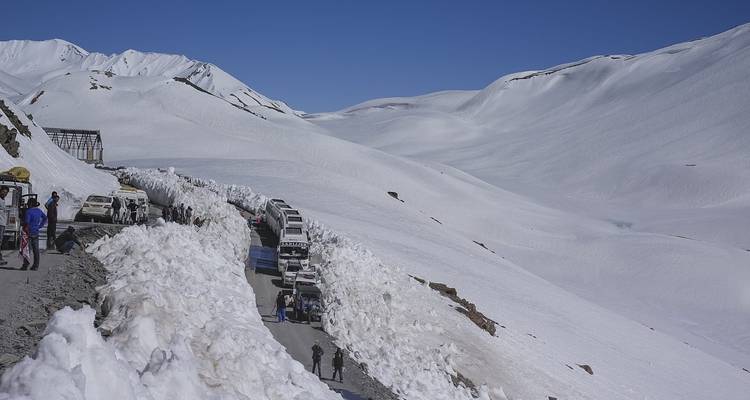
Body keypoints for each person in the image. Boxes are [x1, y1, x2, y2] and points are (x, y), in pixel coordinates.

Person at [22, 199, 46, 271]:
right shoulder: (39, 211)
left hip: (28, 232)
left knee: (27, 249)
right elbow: (45, 218)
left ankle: (25, 265)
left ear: (30, 204)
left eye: (28, 204)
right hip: (36, 232)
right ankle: (36, 265)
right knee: (36, 250)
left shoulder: (28, 211)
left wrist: (24, 227)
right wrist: (40, 226)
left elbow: (27, 222)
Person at [0, 186, 8, 265]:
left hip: (2, 223)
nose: (4, 194)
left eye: (6, 193)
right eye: (3, 192)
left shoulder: (3, 200)